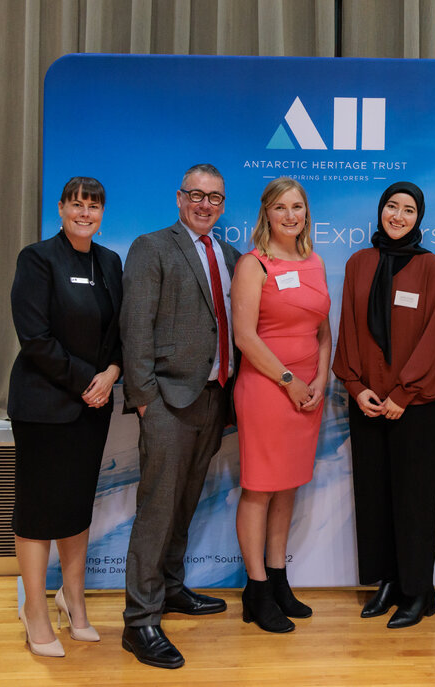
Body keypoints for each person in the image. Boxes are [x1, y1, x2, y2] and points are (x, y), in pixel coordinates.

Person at [120, 164, 241, 669]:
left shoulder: (230, 255)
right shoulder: (152, 248)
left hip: (213, 398)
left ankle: (170, 589)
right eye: (196, 195)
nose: (205, 204)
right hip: (167, 400)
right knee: (157, 508)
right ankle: (140, 621)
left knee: (185, 502)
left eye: (214, 198)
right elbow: (135, 326)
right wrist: (145, 397)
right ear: (179, 198)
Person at [8, 176, 122, 657]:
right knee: (39, 511)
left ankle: (72, 599)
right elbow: (34, 338)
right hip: (43, 405)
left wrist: (112, 372)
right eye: (76, 205)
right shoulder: (37, 259)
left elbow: (119, 331)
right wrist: (85, 380)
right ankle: (35, 609)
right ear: (60, 209)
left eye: (94, 206)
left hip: (93, 406)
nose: (85, 213)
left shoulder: (110, 262)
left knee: (76, 509)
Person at [332, 181, 435, 629]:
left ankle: (417, 591)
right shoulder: (358, 263)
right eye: (391, 207)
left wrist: (404, 393)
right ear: (380, 211)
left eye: (407, 210)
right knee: (375, 494)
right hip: (366, 402)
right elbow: (349, 329)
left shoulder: (431, 268)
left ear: (419, 218)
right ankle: (385, 581)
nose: (397, 216)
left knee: (414, 500)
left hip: (412, 405)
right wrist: (356, 386)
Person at [231, 177, 331, 634]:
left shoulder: (315, 261)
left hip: (309, 393)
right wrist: (290, 380)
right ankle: (256, 591)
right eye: (281, 208)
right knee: (260, 487)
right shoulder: (255, 265)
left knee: (288, 485)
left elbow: (323, 330)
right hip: (268, 390)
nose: (291, 215)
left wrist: (322, 377)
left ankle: (278, 580)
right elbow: (245, 337)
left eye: (298, 207)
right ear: (266, 213)